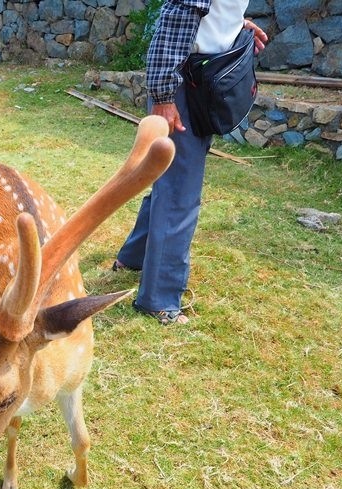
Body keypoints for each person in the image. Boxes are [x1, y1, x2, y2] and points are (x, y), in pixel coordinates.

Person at [114, 0, 267, 324]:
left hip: (203, 73)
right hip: (184, 83)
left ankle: (133, 258)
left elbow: (208, 16)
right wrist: (165, 97)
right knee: (180, 192)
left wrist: (236, 26)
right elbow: (174, 21)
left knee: (169, 181)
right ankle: (159, 300)